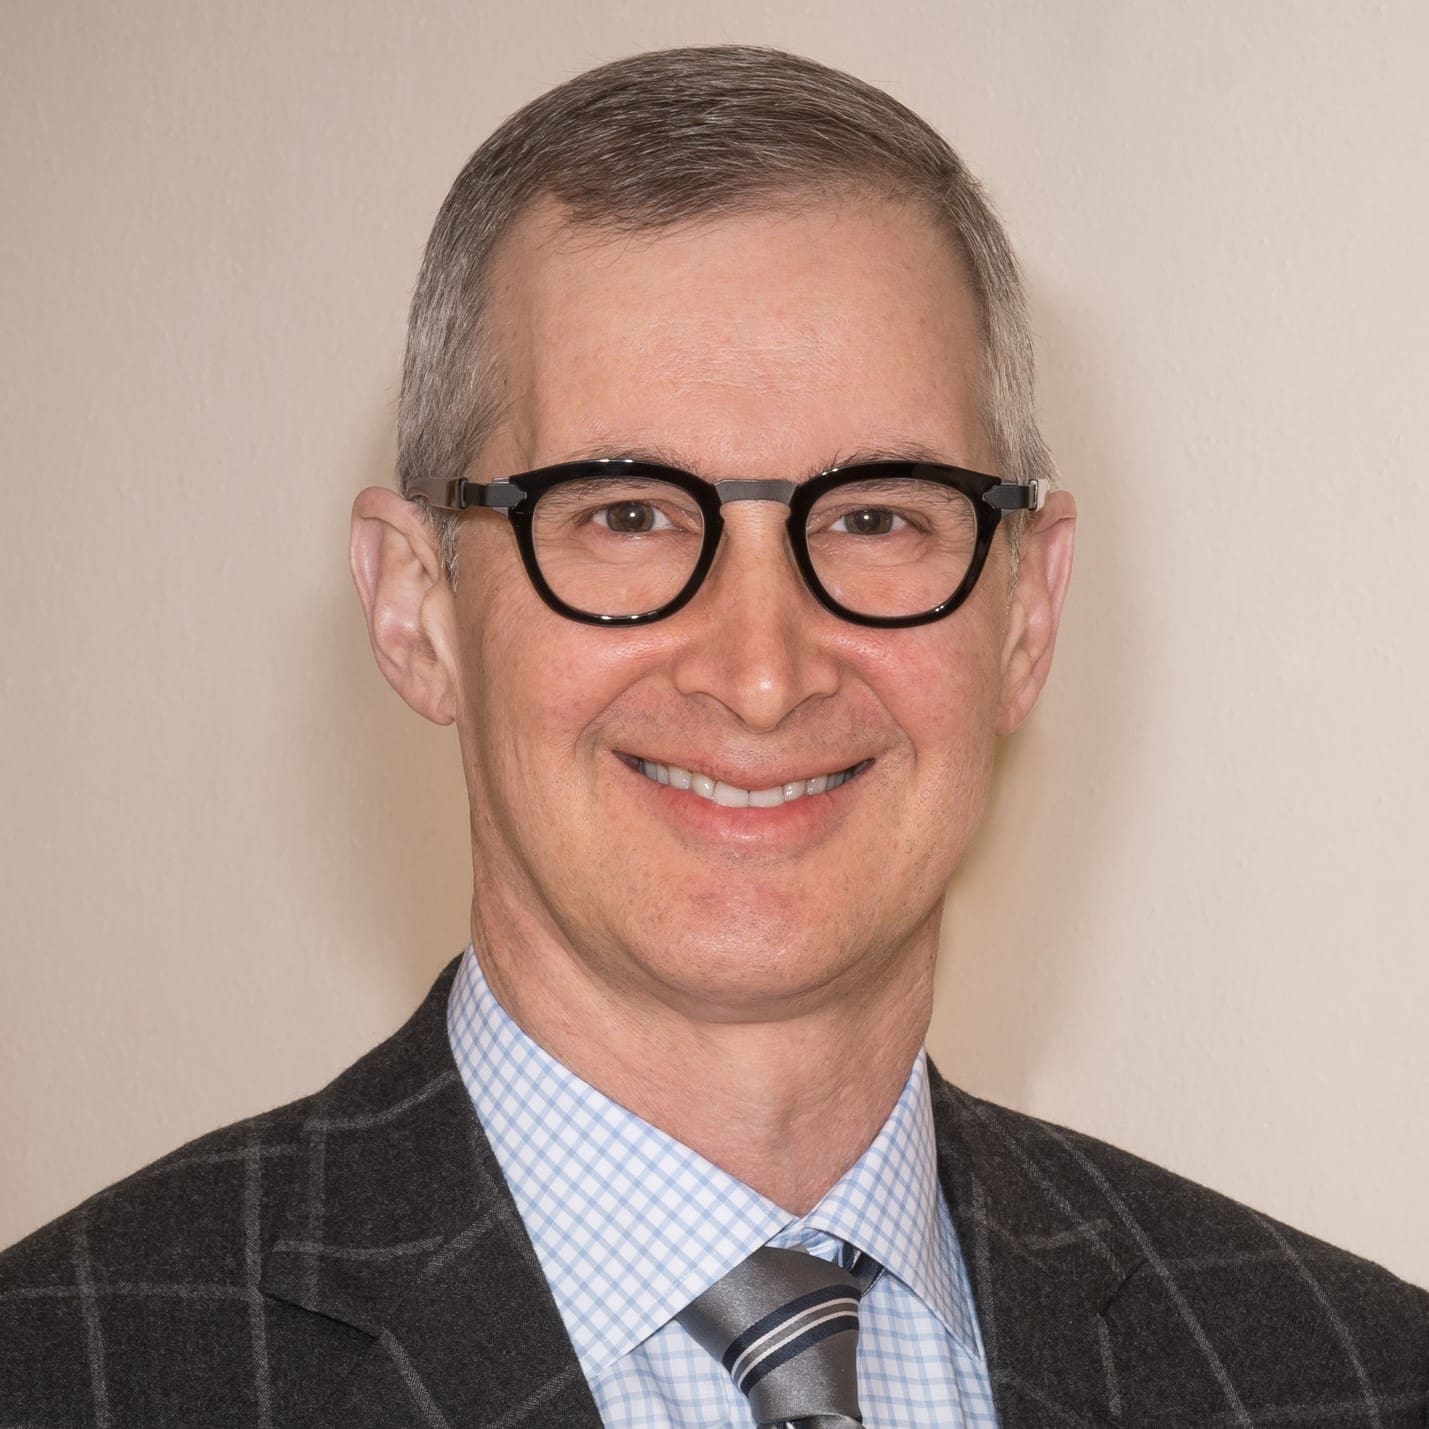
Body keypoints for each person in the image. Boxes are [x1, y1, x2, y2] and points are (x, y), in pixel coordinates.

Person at [1, 43, 1424, 1429]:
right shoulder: (66, 1369)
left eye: (875, 515)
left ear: (1027, 613)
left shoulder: (1354, 1374)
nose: (760, 673)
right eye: (623, 516)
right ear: (415, 608)